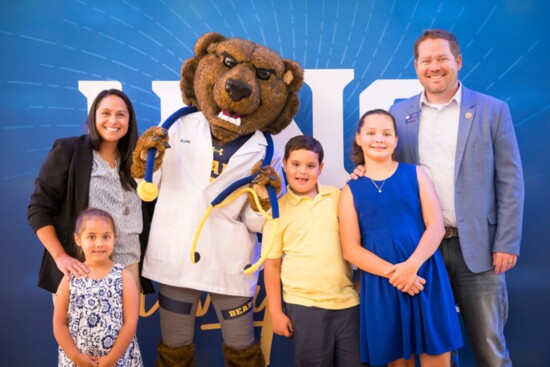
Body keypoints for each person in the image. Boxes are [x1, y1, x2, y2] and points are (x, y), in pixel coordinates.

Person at [387, 29, 524, 367]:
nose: (435, 67)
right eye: (426, 60)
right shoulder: (398, 114)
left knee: (491, 350)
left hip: (478, 249)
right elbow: (384, 165)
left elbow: (510, 182)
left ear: (458, 62)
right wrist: (362, 170)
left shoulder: (493, 111)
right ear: (416, 67)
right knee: (438, 349)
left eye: (442, 59)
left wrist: (507, 241)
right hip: (422, 250)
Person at [340, 109, 463, 367]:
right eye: (371, 133)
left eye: (386, 133)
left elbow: (436, 227)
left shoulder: (416, 174)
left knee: (438, 357)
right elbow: (351, 250)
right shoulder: (350, 190)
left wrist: (411, 266)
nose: (379, 139)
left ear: (396, 140)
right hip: (383, 285)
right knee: (397, 361)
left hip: (424, 275)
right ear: (359, 139)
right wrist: (396, 274)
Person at [28, 89, 154, 295]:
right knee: (74, 328)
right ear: (93, 117)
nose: (113, 120)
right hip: (82, 268)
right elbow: (38, 210)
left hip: (129, 267)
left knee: (127, 328)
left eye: (121, 114)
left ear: (129, 121)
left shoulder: (138, 160)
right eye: (105, 113)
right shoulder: (69, 151)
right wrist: (60, 256)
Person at [262, 135, 363, 367]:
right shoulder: (277, 211)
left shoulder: (338, 196)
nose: (302, 172)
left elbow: (360, 240)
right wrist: (276, 312)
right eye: (295, 164)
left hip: (348, 303)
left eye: (310, 166)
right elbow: (272, 265)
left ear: (321, 168)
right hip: (304, 306)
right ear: (285, 165)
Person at [54, 207, 142, 366]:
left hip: (118, 360)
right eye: (91, 237)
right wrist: (76, 357)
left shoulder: (124, 277)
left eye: (106, 237)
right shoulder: (70, 279)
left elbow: (130, 322)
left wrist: (112, 358)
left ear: (114, 238)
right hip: (76, 362)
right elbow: (59, 323)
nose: (99, 243)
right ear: (78, 239)